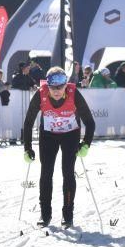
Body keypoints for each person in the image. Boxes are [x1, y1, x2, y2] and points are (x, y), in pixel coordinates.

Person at [21, 67, 96, 230]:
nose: (56, 91)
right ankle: (45, 214)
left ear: (66, 85)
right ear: (47, 86)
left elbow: (90, 122)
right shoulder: (40, 94)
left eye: (60, 87)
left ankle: (67, 215)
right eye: (53, 87)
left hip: (70, 135)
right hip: (48, 136)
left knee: (68, 172)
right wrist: (27, 148)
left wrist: (86, 144)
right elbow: (28, 122)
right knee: (46, 173)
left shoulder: (74, 94)